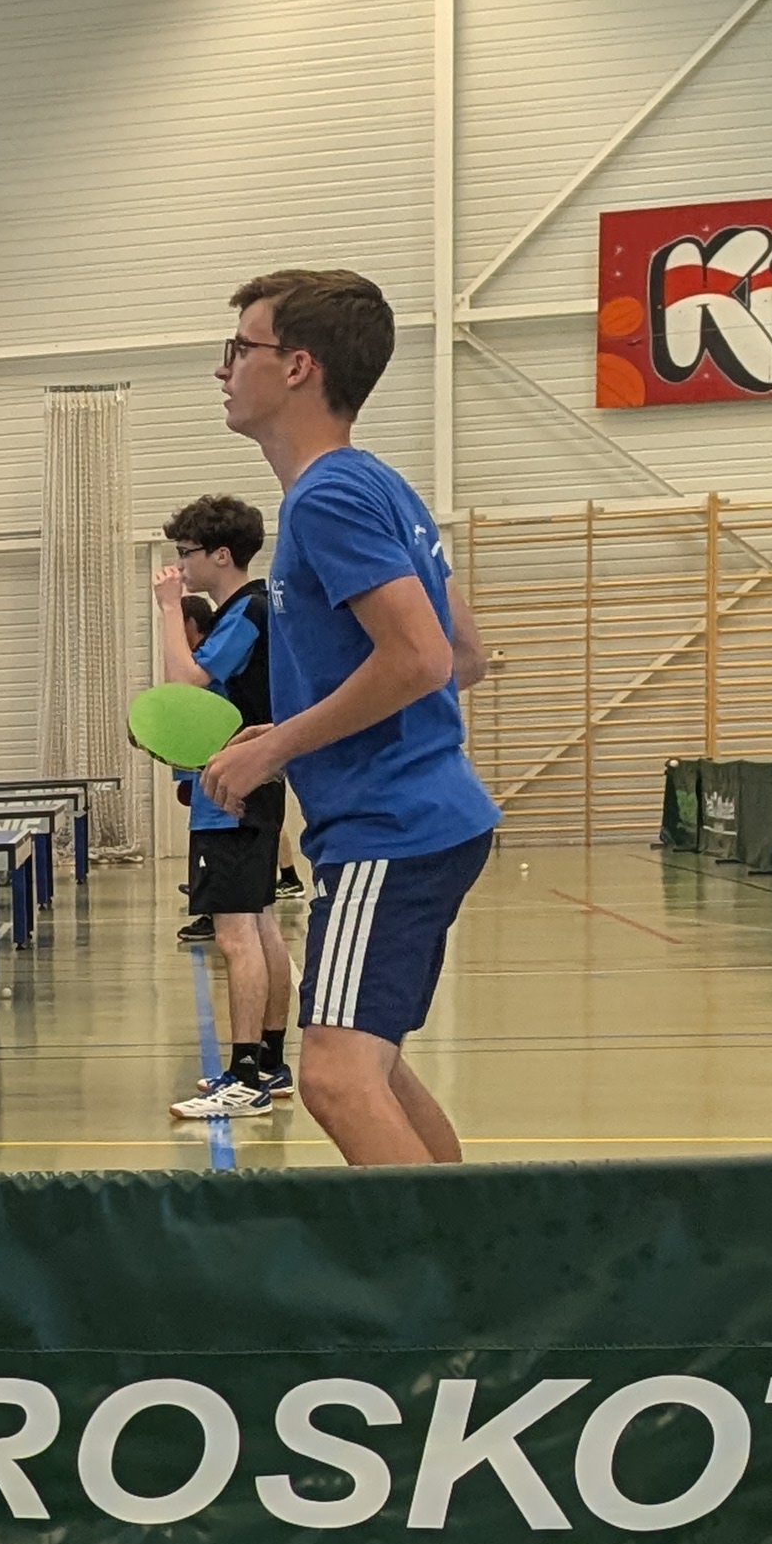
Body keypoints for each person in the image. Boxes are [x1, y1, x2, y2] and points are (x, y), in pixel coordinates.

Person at [198, 270, 500, 1167]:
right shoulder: (380, 485)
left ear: (296, 367)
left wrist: (278, 748)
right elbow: (466, 654)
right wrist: (287, 724)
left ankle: (447, 1297)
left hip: (391, 828)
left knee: (333, 1078)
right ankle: (485, 1261)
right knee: (377, 1068)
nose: (222, 371)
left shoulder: (324, 500)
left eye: (238, 350)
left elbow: (424, 659)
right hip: (419, 818)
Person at [152, 494, 293, 1119]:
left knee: (237, 934)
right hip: (255, 779)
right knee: (260, 925)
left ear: (221, 555)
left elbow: (187, 685)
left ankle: (245, 1077)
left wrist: (164, 611)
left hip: (231, 789)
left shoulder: (244, 612)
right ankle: (271, 1062)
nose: (179, 567)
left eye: (185, 554)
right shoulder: (258, 608)